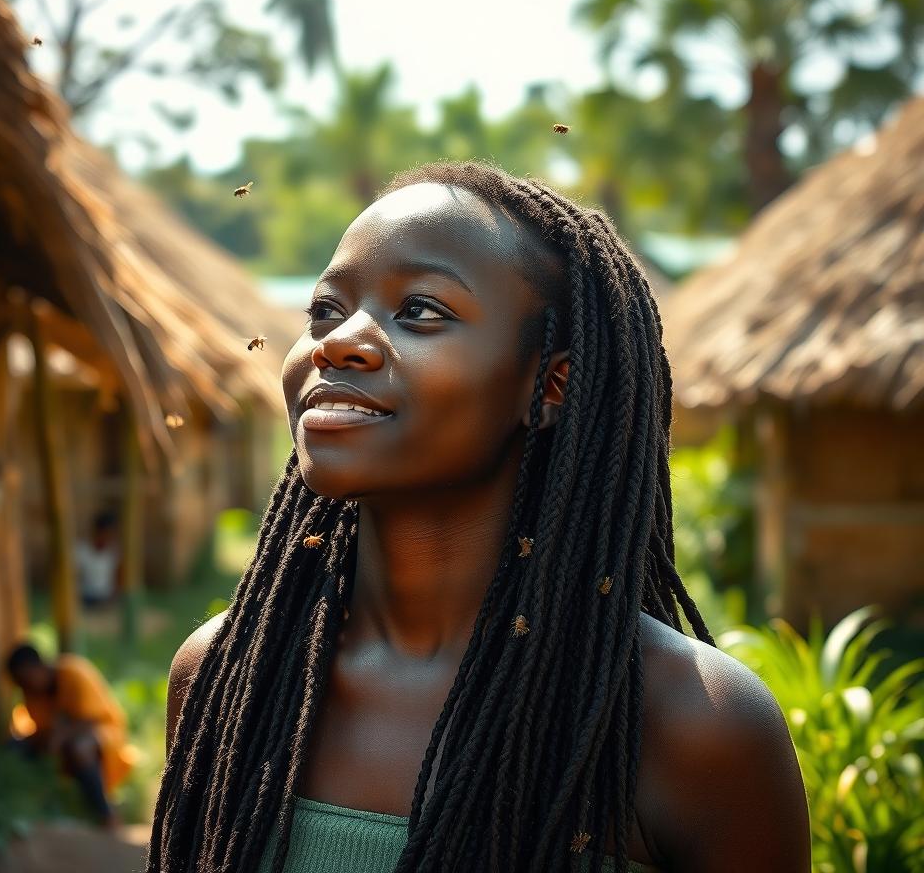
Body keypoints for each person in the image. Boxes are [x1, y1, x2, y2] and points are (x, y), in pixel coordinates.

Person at [149, 162, 811, 872]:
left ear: (550, 383)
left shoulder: (694, 726)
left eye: (422, 311)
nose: (338, 342)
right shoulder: (227, 678)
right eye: (325, 311)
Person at [7, 642, 132, 826]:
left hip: (103, 733)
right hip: (65, 740)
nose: (25, 687)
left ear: (38, 667)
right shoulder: (32, 692)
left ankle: (106, 814)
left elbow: (90, 720)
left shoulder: (73, 672)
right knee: (15, 747)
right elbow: (42, 729)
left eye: (26, 679)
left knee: (80, 748)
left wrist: (60, 736)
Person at [75, 510, 122, 607]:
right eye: (107, 533)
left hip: (106, 598)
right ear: (97, 531)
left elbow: (118, 580)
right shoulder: (80, 551)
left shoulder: (114, 552)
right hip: (85, 599)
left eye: (112, 534)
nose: (109, 538)